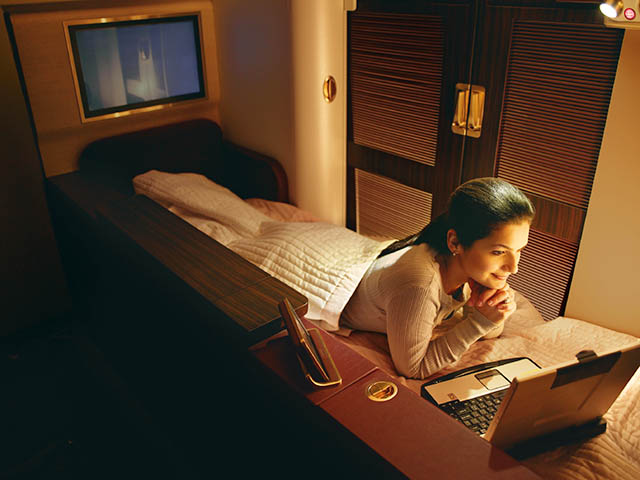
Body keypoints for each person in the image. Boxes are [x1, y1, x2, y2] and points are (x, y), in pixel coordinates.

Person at [340, 177, 535, 379]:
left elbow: (490, 332)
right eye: (498, 252)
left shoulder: (468, 266)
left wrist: (491, 309)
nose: (513, 268)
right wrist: (479, 323)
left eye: (519, 250)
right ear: (454, 242)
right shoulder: (421, 286)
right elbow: (412, 369)